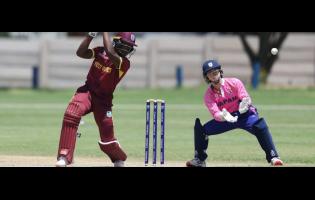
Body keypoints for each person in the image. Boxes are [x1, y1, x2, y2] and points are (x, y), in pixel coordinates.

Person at [56, 32, 137, 167]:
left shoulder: (124, 63)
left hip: (103, 101)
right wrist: (91, 35)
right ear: (116, 42)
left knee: (107, 139)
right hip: (87, 92)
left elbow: (111, 54)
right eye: (124, 45)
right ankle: (64, 157)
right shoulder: (100, 51)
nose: (126, 49)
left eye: (129, 47)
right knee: (71, 113)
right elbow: (80, 53)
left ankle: (118, 158)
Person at [186, 60, 283, 167]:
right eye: (210, 74)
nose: (213, 76)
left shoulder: (234, 82)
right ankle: (199, 160)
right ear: (206, 77)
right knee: (201, 130)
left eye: (215, 72)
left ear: (220, 72)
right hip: (227, 118)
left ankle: (274, 157)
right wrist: (224, 116)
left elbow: (246, 98)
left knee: (260, 126)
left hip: (245, 116)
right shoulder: (208, 95)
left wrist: (244, 105)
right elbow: (216, 113)